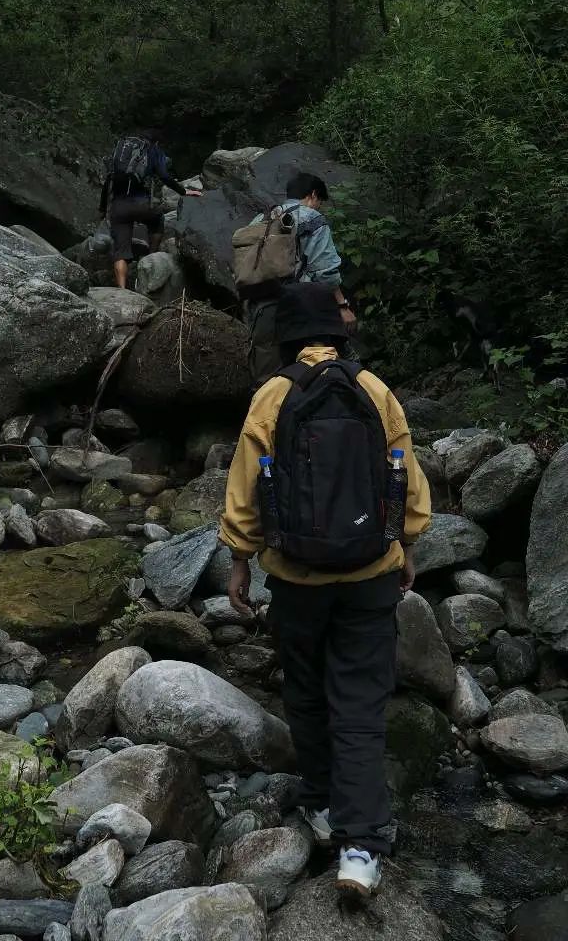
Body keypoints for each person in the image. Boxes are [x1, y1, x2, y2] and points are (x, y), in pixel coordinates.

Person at [220, 283, 430, 899]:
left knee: (307, 692)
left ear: (287, 336)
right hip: (371, 574)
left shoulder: (273, 395)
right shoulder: (374, 390)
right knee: (361, 706)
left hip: (296, 578)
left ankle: (317, 804)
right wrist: (408, 546)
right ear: (337, 335)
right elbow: (406, 478)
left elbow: (246, 491)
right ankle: (360, 847)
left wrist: (239, 561)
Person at [246, 172, 356, 387]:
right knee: (328, 369)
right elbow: (326, 272)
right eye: (320, 202)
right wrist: (343, 306)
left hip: (262, 306)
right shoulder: (311, 218)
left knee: (270, 380)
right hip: (303, 307)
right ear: (313, 194)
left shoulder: (260, 220)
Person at [99, 128, 202, 288]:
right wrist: (184, 191)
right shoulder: (154, 151)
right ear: (157, 141)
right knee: (158, 220)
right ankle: (150, 258)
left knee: (121, 252)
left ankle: (122, 291)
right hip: (141, 205)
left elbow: (109, 180)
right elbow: (164, 176)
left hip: (118, 206)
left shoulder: (122, 151)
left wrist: (102, 208)